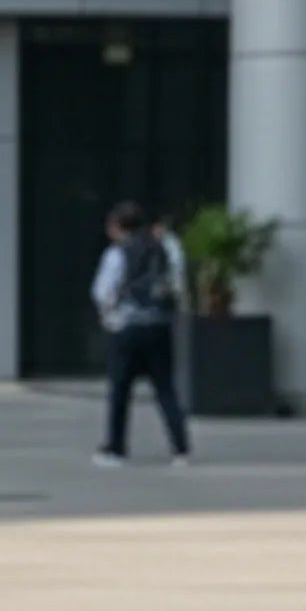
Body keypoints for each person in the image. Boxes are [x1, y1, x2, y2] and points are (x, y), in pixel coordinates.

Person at [93, 199, 192, 466]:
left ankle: (115, 449)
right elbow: (177, 283)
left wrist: (109, 317)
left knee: (120, 390)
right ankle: (180, 448)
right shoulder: (162, 249)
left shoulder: (117, 254)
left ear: (116, 227)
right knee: (165, 389)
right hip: (159, 326)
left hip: (127, 327)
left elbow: (103, 292)